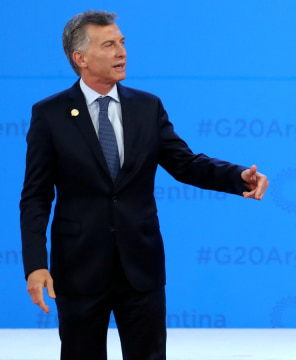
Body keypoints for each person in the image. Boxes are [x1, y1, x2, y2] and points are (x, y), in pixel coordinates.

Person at [20, 10, 269, 360]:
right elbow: (36, 196)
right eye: (108, 45)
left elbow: (185, 163)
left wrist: (236, 176)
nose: (121, 51)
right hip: (79, 269)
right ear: (81, 59)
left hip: (141, 267)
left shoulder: (147, 107)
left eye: (122, 42)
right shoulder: (50, 115)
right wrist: (35, 264)